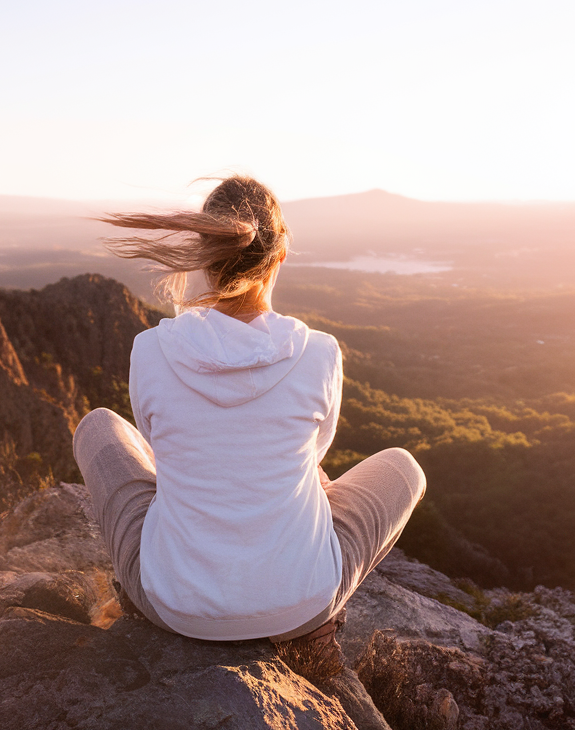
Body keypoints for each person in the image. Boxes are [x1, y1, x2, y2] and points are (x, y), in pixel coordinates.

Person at [73, 176, 425, 661]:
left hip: (173, 605)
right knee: (406, 468)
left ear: (202, 254)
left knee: (97, 426)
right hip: (300, 606)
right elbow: (315, 458)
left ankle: (155, 579)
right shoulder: (320, 353)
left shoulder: (151, 350)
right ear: (278, 257)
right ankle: (315, 628)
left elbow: (155, 451)